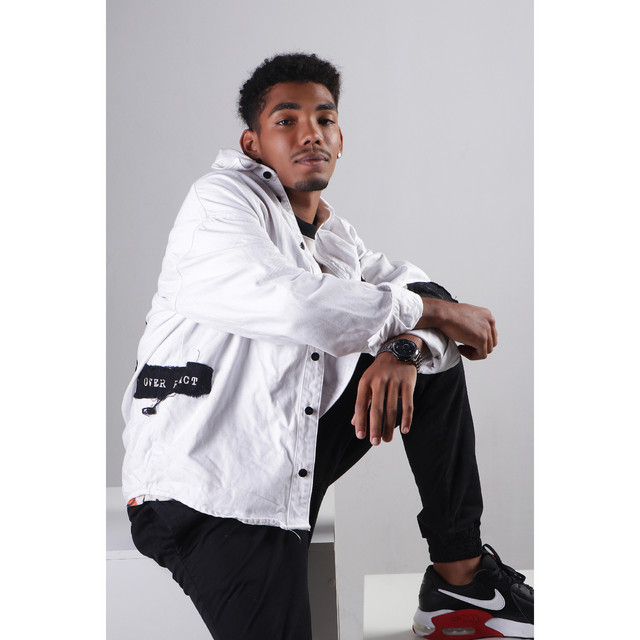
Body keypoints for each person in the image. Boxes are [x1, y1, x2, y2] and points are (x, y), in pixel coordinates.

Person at [121, 52, 533, 639]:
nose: (310, 132)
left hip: (288, 452)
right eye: (286, 120)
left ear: (340, 140)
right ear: (253, 144)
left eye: (325, 119)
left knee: (424, 351)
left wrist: (405, 348)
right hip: (207, 486)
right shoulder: (219, 203)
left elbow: (423, 290)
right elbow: (295, 304)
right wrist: (430, 314)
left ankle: (459, 583)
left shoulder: (333, 238)